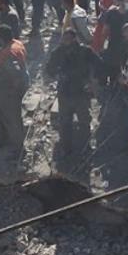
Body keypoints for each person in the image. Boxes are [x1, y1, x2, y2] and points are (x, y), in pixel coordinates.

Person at [45, 24, 97, 162]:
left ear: (74, 39)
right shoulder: (58, 52)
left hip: (80, 92)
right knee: (66, 122)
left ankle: (84, 147)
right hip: (66, 92)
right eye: (64, 38)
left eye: (69, 38)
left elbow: (98, 64)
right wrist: (58, 75)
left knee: (83, 120)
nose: (66, 41)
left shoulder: (85, 51)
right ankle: (67, 148)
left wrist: (92, 82)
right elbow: (49, 70)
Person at [0, 27, 29, 155]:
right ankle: (4, 138)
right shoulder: (17, 44)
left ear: (1, 38)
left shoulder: (8, 53)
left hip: (7, 90)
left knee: (12, 117)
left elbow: (15, 72)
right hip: (5, 88)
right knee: (1, 113)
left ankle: (19, 148)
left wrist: (13, 90)